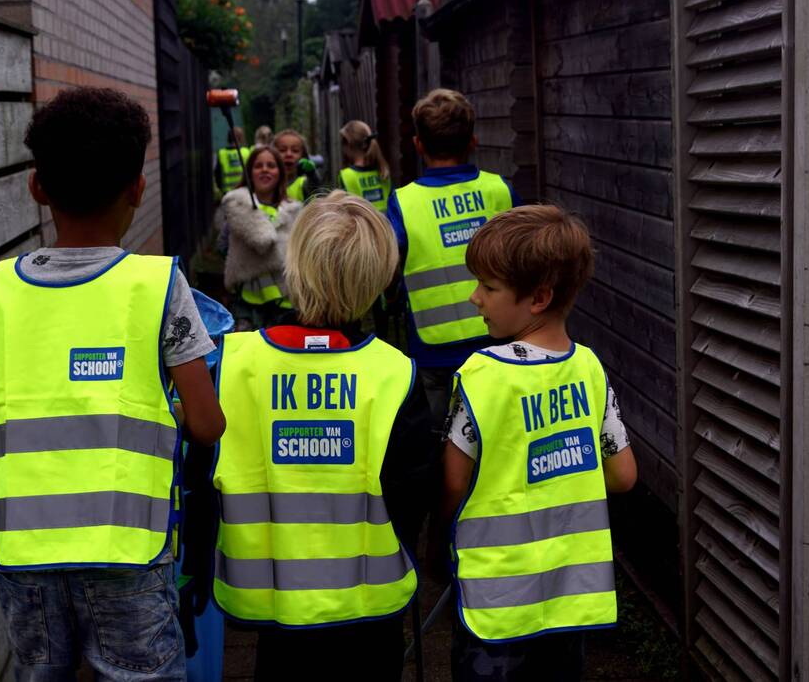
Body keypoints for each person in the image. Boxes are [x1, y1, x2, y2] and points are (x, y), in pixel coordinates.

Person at [0, 86, 226, 681]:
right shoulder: (156, 285)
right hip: (127, 552)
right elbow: (207, 421)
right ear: (138, 189)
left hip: (23, 554)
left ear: (37, 187)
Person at [206, 191, 438, 680]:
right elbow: (413, 493)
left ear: (295, 264)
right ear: (378, 277)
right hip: (369, 615)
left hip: (276, 613)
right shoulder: (395, 374)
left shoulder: (235, 365)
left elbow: (204, 475)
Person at [431, 205, 638, 682]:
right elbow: (624, 476)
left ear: (538, 297)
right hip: (570, 599)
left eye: (488, 287)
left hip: (496, 603)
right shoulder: (590, 368)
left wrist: (436, 548)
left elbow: (453, 481)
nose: (473, 298)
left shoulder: (481, 376)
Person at [386, 88, 522, 432]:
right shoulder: (500, 192)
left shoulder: (404, 202)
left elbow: (388, 270)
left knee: (437, 442)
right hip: (500, 340)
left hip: (433, 353)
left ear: (418, 145)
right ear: (472, 141)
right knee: (497, 435)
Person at [220, 145, 301, 330]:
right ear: (249, 173)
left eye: (271, 165)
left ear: (280, 172)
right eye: (258, 166)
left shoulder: (293, 209)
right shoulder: (238, 206)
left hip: (285, 301)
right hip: (248, 302)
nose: (265, 169)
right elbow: (224, 245)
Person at [337, 120, 392, 213]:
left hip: (361, 227)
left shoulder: (346, 176)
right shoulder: (383, 172)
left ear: (347, 143)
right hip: (385, 226)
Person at [274, 128, 320, 202]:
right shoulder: (269, 184)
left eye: (295, 151)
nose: (288, 154)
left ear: (303, 156)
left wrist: (312, 174)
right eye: (282, 150)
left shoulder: (303, 183)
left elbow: (315, 190)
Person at [215, 126, 251, 195]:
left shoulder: (221, 153)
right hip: (244, 191)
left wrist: (220, 188)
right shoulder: (246, 152)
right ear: (241, 139)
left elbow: (217, 175)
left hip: (227, 192)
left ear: (228, 138)